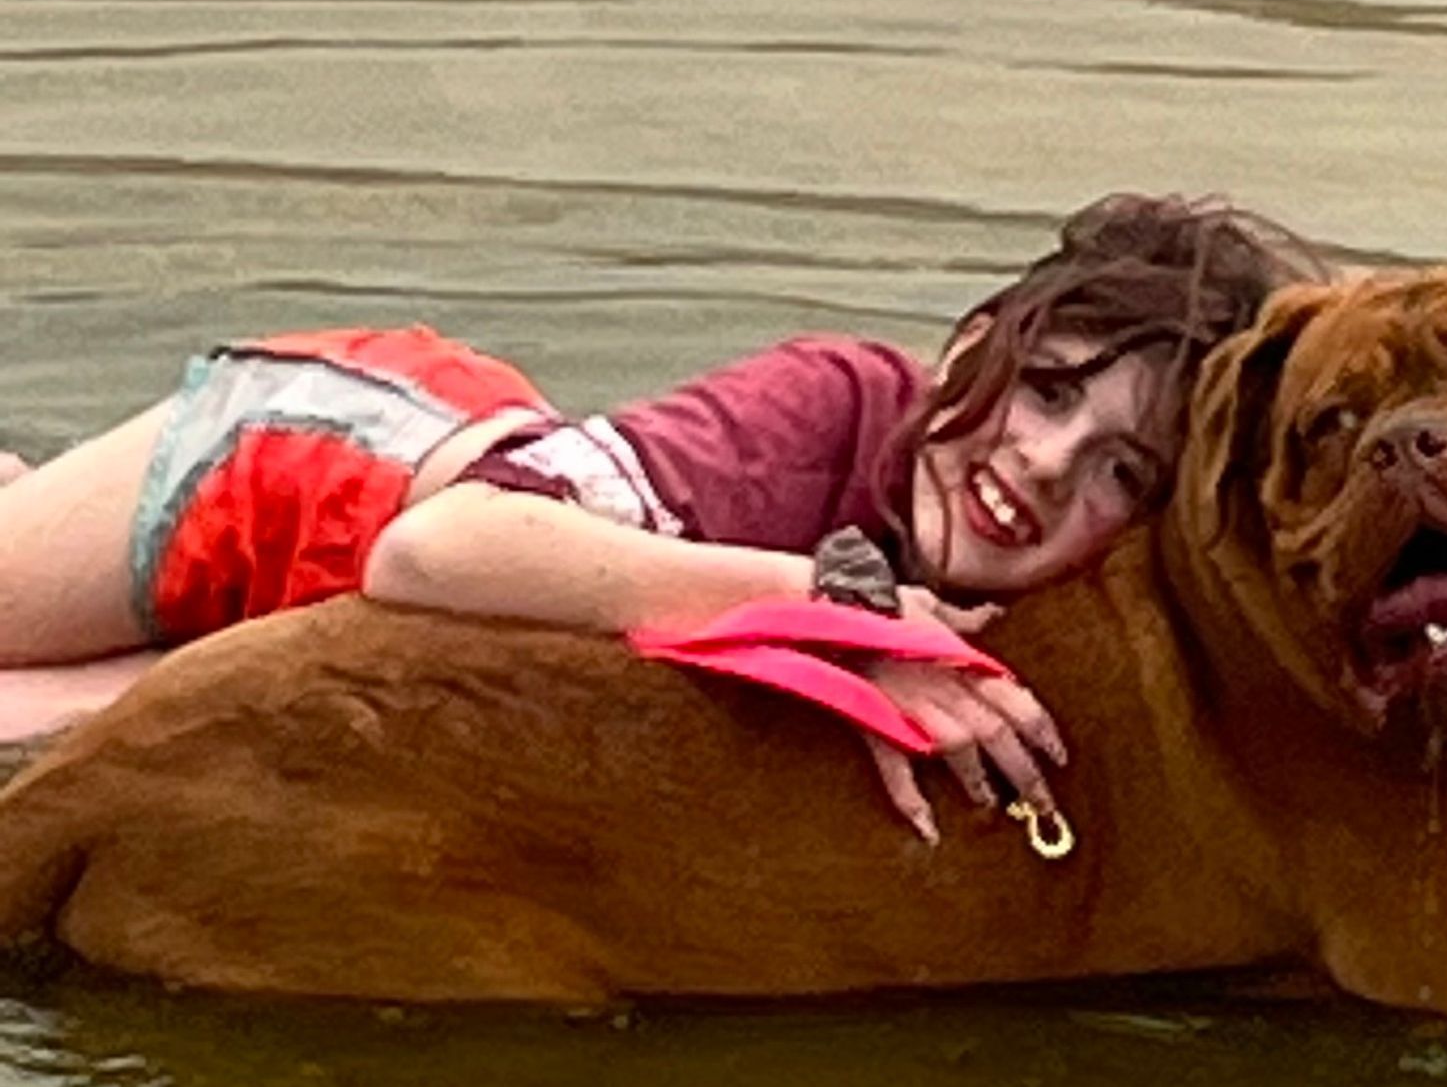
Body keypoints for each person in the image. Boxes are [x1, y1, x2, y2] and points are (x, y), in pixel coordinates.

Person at [0, 194, 1323, 835]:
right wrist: (839, 610)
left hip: (345, 649)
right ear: (975, 343)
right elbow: (429, 552)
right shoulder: (829, 405)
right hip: (302, 478)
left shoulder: (1068, 602)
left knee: (76, 741)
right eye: (1048, 390)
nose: (1044, 465)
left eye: (1119, 473)